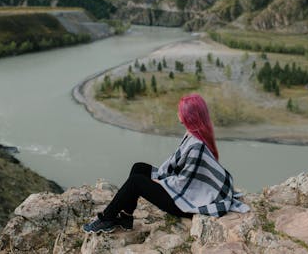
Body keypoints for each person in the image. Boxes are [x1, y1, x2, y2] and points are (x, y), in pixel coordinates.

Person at [83, 93, 250, 234]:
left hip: (185, 203)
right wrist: (161, 180)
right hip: (184, 190)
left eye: (180, 111)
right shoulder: (193, 134)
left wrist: (161, 182)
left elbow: (184, 181)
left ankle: (106, 219)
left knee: (136, 182)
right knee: (139, 167)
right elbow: (179, 169)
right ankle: (126, 217)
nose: (177, 113)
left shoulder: (197, 145)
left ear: (188, 116)